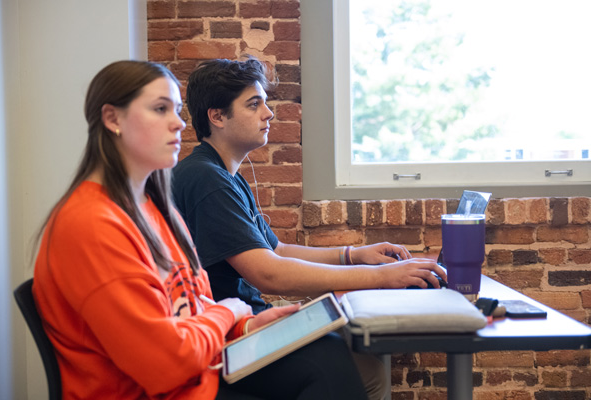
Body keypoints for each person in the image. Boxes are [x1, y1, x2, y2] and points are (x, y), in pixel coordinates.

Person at [32, 60, 368, 400]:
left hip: (201, 368)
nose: (178, 123)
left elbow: (193, 304)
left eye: (177, 110)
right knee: (327, 365)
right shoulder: (90, 226)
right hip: (164, 386)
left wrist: (247, 326)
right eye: (160, 109)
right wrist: (233, 311)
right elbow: (165, 363)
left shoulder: (156, 210)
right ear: (112, 119)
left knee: (326, 352)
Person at [172, 56, 448, 400]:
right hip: (231, 333)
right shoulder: (206, 179)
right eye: (254, 104)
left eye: (265, 103)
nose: (268, 113)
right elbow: (269, 274)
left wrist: (354, 255)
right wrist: (382, 276)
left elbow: (276, 250)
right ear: (217, 117)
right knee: (361, 363)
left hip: (243, 322)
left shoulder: (225, 175)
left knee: (364, 356)